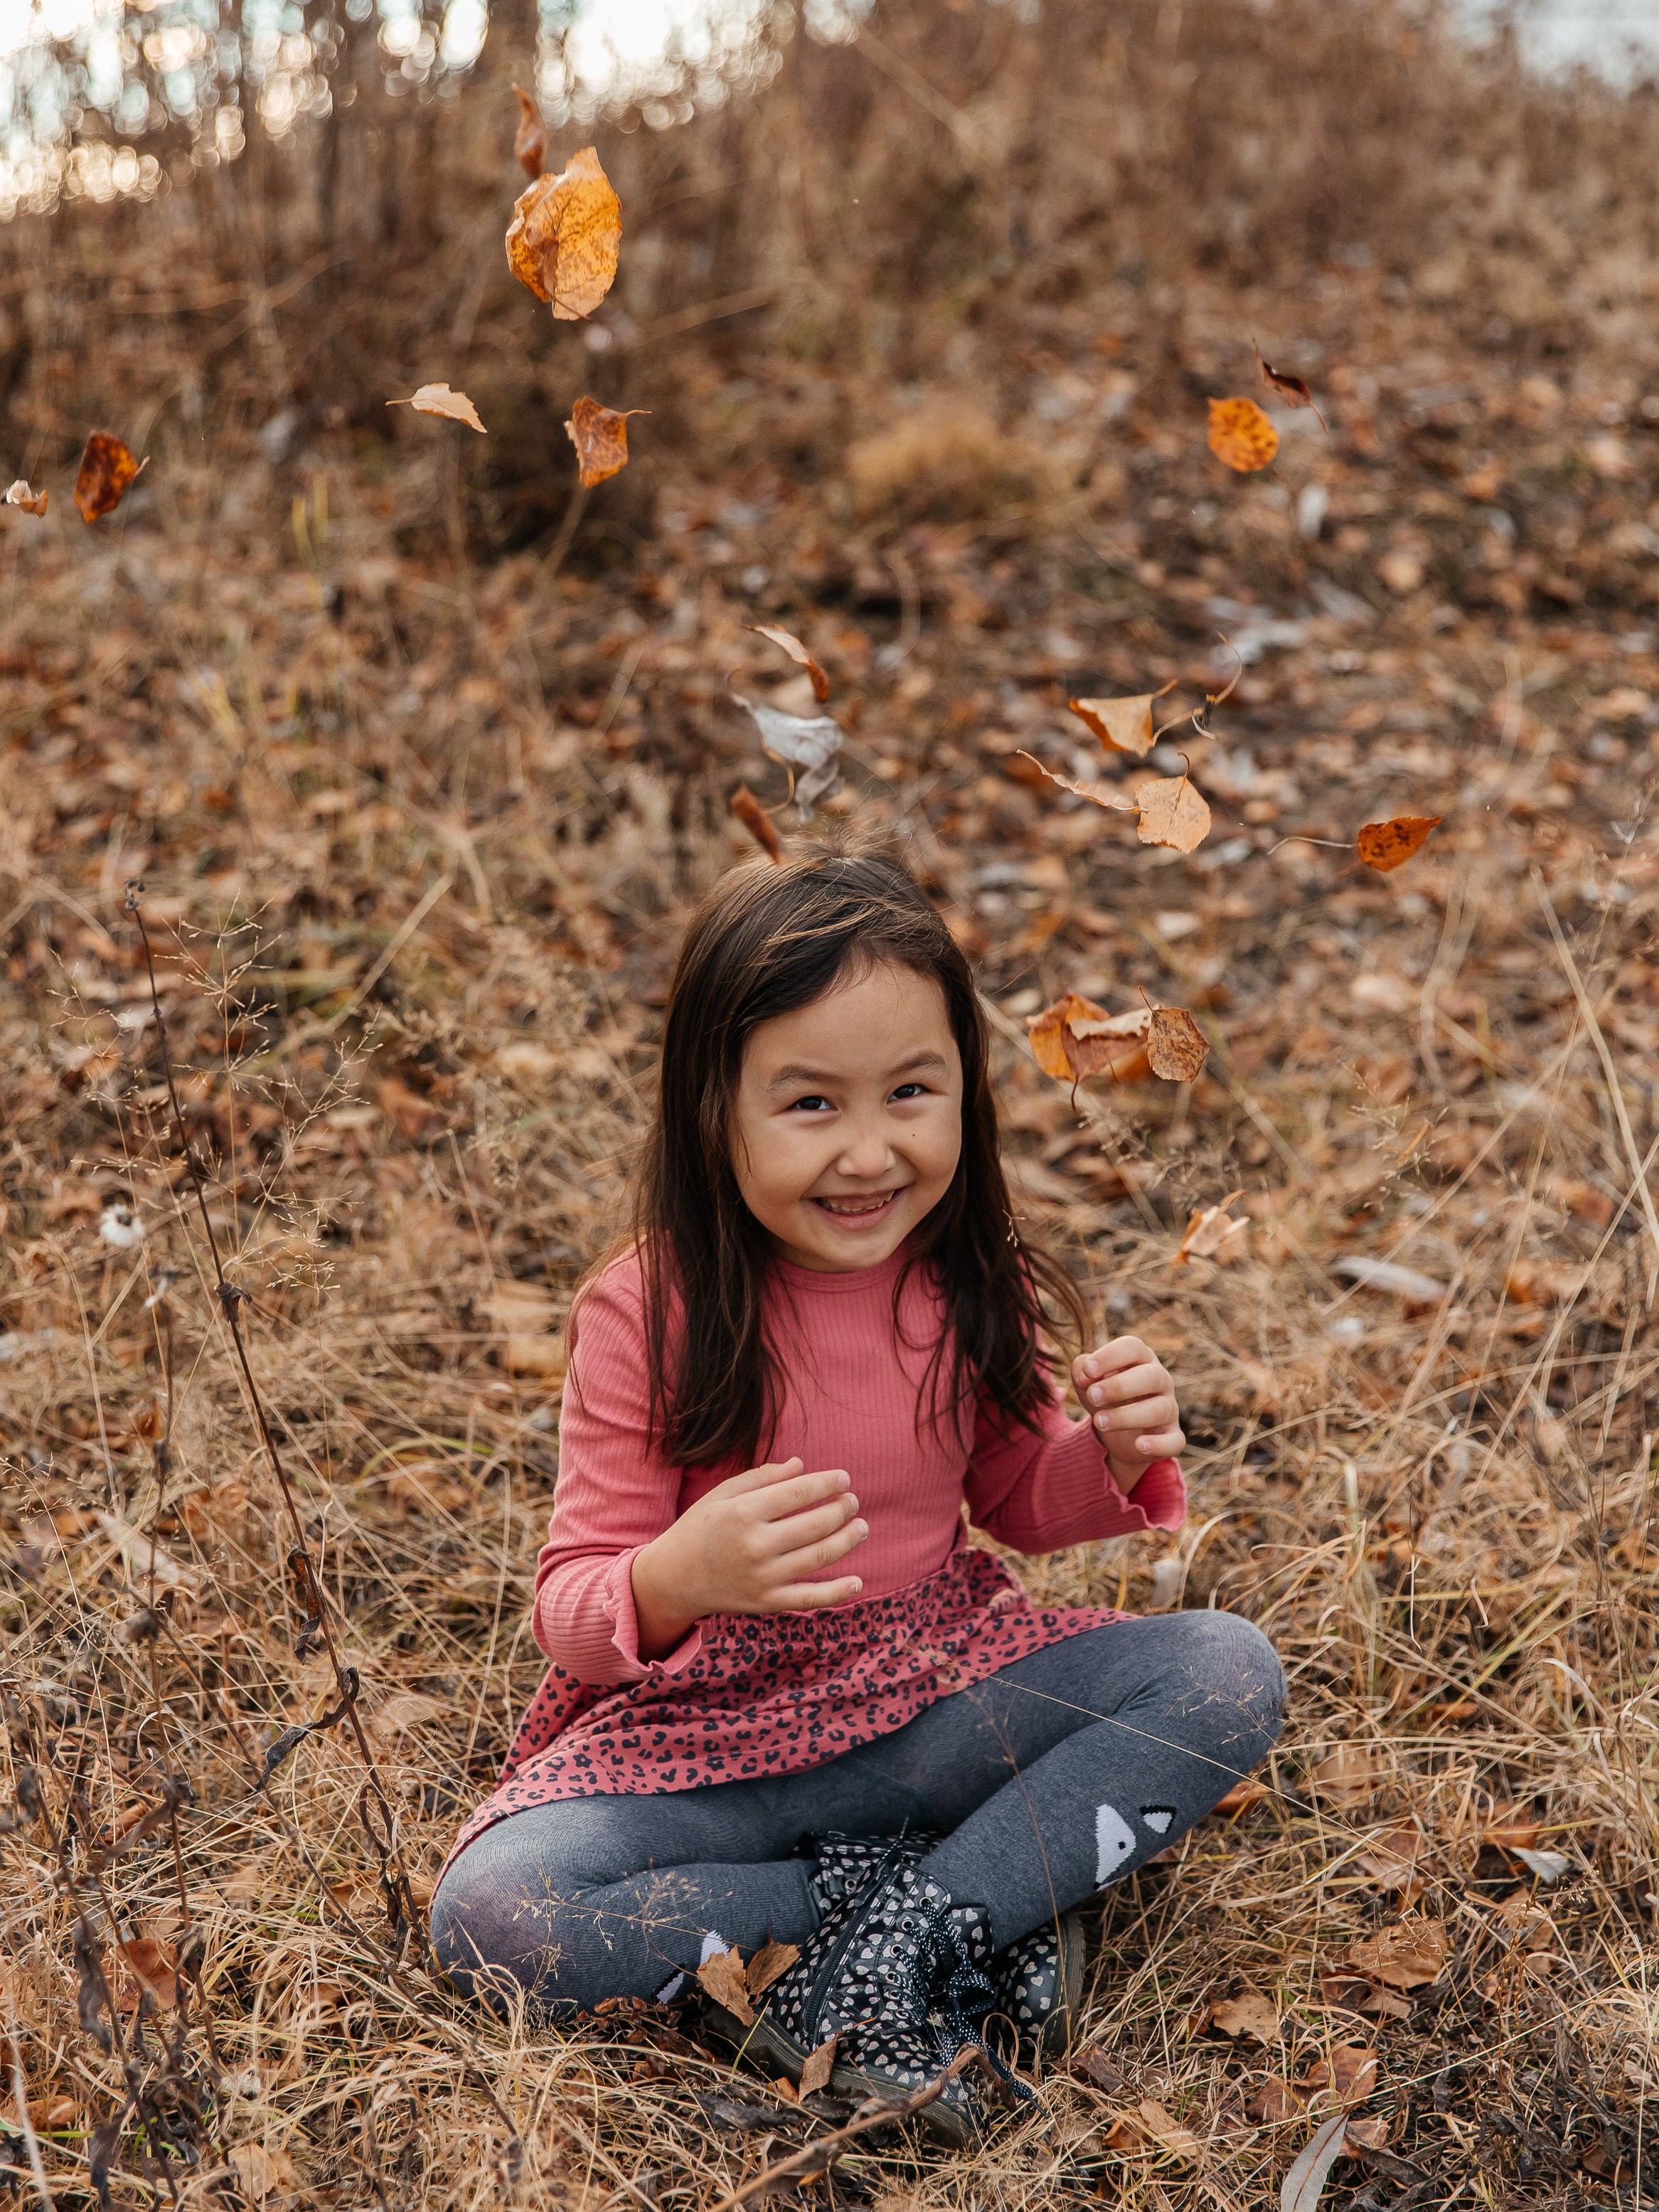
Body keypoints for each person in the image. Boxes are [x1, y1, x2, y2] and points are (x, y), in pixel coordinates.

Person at [432, 848, 1284, 2140]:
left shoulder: (964, 1278)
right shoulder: (647, 1309)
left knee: (1225, 1671)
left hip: (933, 1698)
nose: (870, 1151)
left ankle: (913, 1930)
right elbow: (568, 1603)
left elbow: (1015, 1496)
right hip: (704, 1744)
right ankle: (963, 1895)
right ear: (712, 1109)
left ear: (966, 1092)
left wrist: (1108, 1457)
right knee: (493, 1916)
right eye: (811, 1105)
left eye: (910, 1092)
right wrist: (676, 1577)